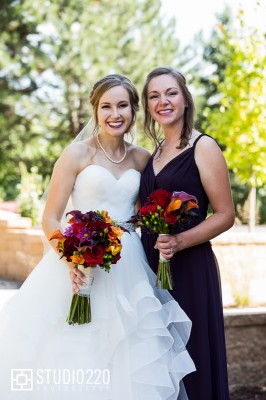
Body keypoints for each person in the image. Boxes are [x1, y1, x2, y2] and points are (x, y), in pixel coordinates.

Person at [0, 74, 195, 400]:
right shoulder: (76, 155)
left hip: (130, 266)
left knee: (129, 352)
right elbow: (49, 216)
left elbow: (142, 215)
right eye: (106, 106)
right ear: (95, 110)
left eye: (122, 105)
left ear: (134, 110)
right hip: (79, 264)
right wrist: (70, 259)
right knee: (77, 350)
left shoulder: (142, 159)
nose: (114, 114)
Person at [139, 66, 235, 400]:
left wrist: (180, 240)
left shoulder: (203, 146)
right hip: (153, 267)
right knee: (162, 359)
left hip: (190, 267)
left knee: (192, 358)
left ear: (185, 99)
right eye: (154, 96)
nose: (162, 101)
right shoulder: (152, 154)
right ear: (148, 106)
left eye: (170, 93)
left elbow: (225, 215)